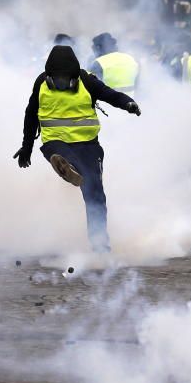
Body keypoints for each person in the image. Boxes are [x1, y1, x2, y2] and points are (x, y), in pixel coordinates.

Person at [14, 45, 141, 253]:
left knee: (95, 194)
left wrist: (128, 103)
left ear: (74, 77)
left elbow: (110, 94)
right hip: (55, 144)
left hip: (88, 145)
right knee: (61, 154)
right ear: (49, 77)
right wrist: (26, 147)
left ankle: (100, 245)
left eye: (66, 80)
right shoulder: (41, 84)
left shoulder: (87, 81)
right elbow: (31, 116)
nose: (62, 84)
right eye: (58, 79)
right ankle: (67, 166)